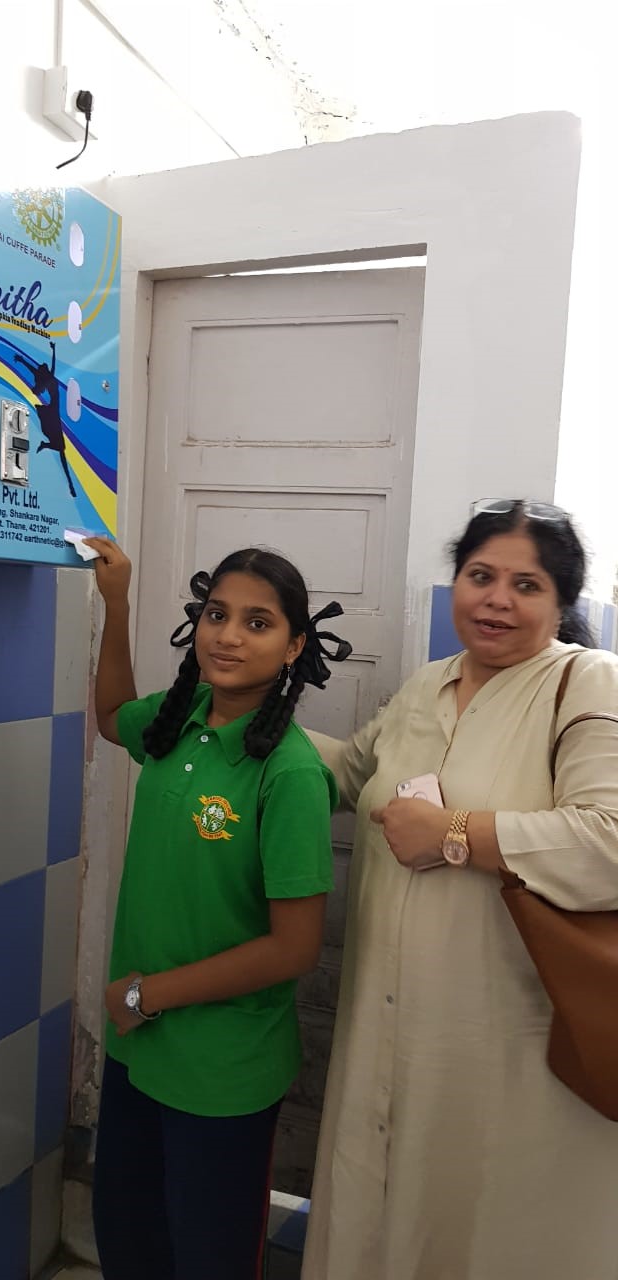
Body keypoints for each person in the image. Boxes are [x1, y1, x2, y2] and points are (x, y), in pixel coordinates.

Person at [301, 499, 618, 1280]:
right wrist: (246, 717)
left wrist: (455, 835)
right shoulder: (426, 685)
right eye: (480, 576)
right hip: (388, 1015)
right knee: (383, 1214)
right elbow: (350, 776)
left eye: (526, 584)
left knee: (486, 1219)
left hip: (512, 1034)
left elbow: (609, 840)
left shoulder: (587, 684)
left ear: (562, 600)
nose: (496, 600)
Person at [85, 537, 351, 1280]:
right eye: (216, 614)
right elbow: (111, 716)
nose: (228, 635)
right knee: (129, 1242)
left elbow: (294, 948)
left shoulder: (289, 773)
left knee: (209, 1258)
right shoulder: (179, 718)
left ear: (294, 647)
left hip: (221, 1071)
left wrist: (145, 994)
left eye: (257, 623)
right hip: (139, 1046)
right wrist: (116, 603)